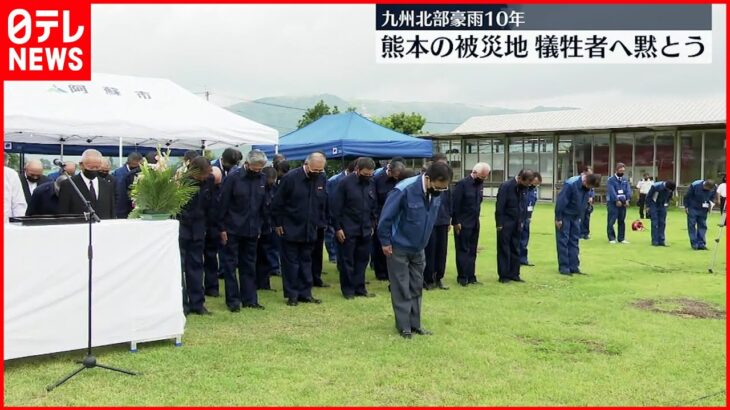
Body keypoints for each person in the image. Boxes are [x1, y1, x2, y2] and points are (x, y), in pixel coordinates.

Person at [377, 161, 452, 338]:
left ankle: (415, 324)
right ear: (428, 178)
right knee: (401, 286)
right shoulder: (403, 190)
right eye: (439, 187)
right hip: (398, 247)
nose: (440, 191)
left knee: (416, 286)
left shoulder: (436, 193)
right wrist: (385, 242)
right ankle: (404, 326)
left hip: (419, 248)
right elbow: (386, 219)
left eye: (444, 189)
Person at [272, 152, 328, 306]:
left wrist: (320, 222)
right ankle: (292, 295)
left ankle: (305, 293)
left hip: (310, 228)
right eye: (315, 170)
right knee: (291, 263)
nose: (317, 173)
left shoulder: (321, 178)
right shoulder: (290, 178)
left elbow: (322, 202)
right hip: (290, 227)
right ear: (306, 164)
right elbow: (277, 203)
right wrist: (278, 224)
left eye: (320, 170)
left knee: (306, 261)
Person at [218, 149, 269, 311]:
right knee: (230, 265)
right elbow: (222, 204)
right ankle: (233, 301)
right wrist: (222, 228)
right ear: (247, 164)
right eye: (255, 168)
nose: (257, 171)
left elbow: (263, 206)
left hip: (252, 230)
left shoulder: (262, 178)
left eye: (260, 168)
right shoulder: (233, 178)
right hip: (232, 229)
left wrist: (260, 226)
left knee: (249, 265)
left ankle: (250, 299)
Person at [331, 157, 377, 299]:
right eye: (365, 174)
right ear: (357, 170)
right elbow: (335, 208)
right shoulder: (344, 183)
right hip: (347, 229)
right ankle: (348, 290)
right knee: (347, 261)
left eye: (370, 174)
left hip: (365, 229)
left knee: (362, 261)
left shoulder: (371, 183)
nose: (368, 177)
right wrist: (338, 228)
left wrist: (373, 224)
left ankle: (360, 288)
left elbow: (373, 205)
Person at [178, 157, 214, 316]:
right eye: (205, 174)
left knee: (197, 267)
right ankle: (182, 305)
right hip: (183, 229)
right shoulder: (181, 182)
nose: (207, 176)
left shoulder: (209, 182)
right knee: (180, 269)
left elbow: (210, 205)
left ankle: (198, 304)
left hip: (199, 230)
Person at [452, 162, 491, 286]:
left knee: (472, 250)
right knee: (462, 249)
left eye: (485, 177)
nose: (484, 179)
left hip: (475, 222)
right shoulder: (462, 184)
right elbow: (455, 204)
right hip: (462, 223)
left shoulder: (480, 185)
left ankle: (471, 276)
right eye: (482, 176)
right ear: (474, 172)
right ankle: (462, 277)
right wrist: (456, 222)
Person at [555, 173, 602, 275]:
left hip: (576, 217)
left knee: (574, 241)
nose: (590, 189)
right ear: (585, 181)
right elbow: (561, 201)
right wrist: (558, 218)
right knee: (563, 241)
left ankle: (574, 266)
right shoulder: (571, 184)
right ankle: (564, 267)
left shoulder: (587, 187)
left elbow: (583, 202)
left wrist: (580, 216)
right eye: (590, 187)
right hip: (565, 216)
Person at [495, 169, 534, 283]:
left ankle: (514, 274)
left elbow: (524, 204)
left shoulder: (524, 188)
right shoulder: (506, 186)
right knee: (504, 249)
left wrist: (522, 220)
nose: (527, 186)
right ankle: (504, 275)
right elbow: (500, 206)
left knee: (516, 248)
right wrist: (499, 223)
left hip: (518, 222)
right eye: (526, 183)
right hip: (506, 222)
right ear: (521, 178)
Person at [372, 159, 406, 280]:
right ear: (390, 171)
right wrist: (375, 217)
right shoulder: (377, 179)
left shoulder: (401, 180)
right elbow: (373, 199)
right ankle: (380, 272)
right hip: (381, 215)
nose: (398, 178)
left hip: (395, 216)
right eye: (396, 175)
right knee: (379, 244)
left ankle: (392, 270)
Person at [57, 150, 115, 219]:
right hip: (78, 226)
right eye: (91, 167)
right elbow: (63, 213)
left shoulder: (107, 186)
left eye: (97, 167)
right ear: (81, 165)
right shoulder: (68, 185)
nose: (94, 170)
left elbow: (112, 212)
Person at [424, 157, 452, 291]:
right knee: (430, 251)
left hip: (443, 220)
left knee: (442, 251)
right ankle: (428, 279)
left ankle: (439, 277)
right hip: (430, 222)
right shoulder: (429, 181)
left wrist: (449, 219)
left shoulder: (447, 183)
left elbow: (449, 202)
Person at [325, 161, 354, 264]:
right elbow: (330, 198)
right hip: (334, 212)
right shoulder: (335, 180)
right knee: (331, 234)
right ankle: (333, 256)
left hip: (347, 215)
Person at [256, 166, 279, 292]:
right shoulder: (260, 189)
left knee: (265, 256)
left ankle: (264, 283)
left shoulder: (273, 189)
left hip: (268, 226)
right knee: (259, 256)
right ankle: (259, 282)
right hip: (260, 226)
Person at [203, 166, 223, 297]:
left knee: (211, 258)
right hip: (203, 226)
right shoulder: (204, 188)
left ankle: (212, 287)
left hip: (213, 227)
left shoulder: (221, 190)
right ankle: (208, 287)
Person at [683, 179, 717, 250]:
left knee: (703, 225)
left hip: (704, 209)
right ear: (704, 186)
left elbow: (713, 197)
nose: (708, 191)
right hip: (693, 208)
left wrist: (711, 204)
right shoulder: (695, 185)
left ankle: (701, 244)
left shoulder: (713, 187)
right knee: (691, 225)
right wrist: (686, 206)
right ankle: (694, 244)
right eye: (707, 189)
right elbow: (687, 196)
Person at [519, 172, 542, 266]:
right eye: (535, 182)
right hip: (520, 216)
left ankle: (523, 259)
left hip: (527, 217)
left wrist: (530, 216)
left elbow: (532, 203)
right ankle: (516, 259)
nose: (535, 184)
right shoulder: (523, 189)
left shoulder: (533, 190)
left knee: (525, 238)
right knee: (518, 238)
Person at [606, 163, 632, 244]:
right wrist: (616, 200)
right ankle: (611, 238)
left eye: (623, 170)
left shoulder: (625, 179)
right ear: (616, 170)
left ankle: (621, 238)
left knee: (621, 220)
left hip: (623, 203)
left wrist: (627, 199)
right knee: (611, 221)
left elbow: (628, 190)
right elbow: (611, 191)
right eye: (620, 170)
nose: (622, 172)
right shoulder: (611, 180)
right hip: (613, 203)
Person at [646, 180, 676, 247]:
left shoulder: (670, 189)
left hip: (662, 205)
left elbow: (669, 197)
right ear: (666, 187)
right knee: (655, 223)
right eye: (669, 190)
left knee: (662, 223)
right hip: (653, 205)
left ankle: (661, 240)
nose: (670, 191)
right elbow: (649, 196)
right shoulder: (655, 186)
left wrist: (667, 203)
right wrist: (648, 206)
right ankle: (655, 241)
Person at [113, 152, 143, 219]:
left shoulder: (141, 172)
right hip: (123, 210)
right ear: (129, 162)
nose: (137, 168)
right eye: (135, 165)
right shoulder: (120, 173)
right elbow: (120, 195)